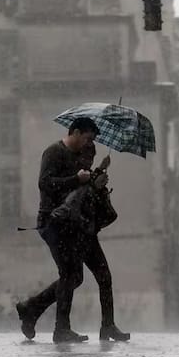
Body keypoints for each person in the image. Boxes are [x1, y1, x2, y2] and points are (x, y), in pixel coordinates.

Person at [15, 117, 99, 344]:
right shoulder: (53, 152)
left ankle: (32, 308)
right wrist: (76, 179)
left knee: (74, 276)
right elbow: (45, 183)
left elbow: (76, 191)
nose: (88, 144)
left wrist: (94, 178)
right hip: (51, 221)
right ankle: (60, 328)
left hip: (69, 222)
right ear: (76, 132)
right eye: (87, 139)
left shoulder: (78, 157)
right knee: (69, 274)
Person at [52, 143, 130, 341]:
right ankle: (61, 328)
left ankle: (108, 326)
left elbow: (95, 204)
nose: (89, 159)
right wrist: (94, 184)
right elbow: (73, 196)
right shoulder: (73, 173)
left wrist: (101, 181)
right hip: (73, 234)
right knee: (70, 278)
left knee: (104, 277)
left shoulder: (90, 174)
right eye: (87, 155)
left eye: (92, 156)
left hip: (87, 235)